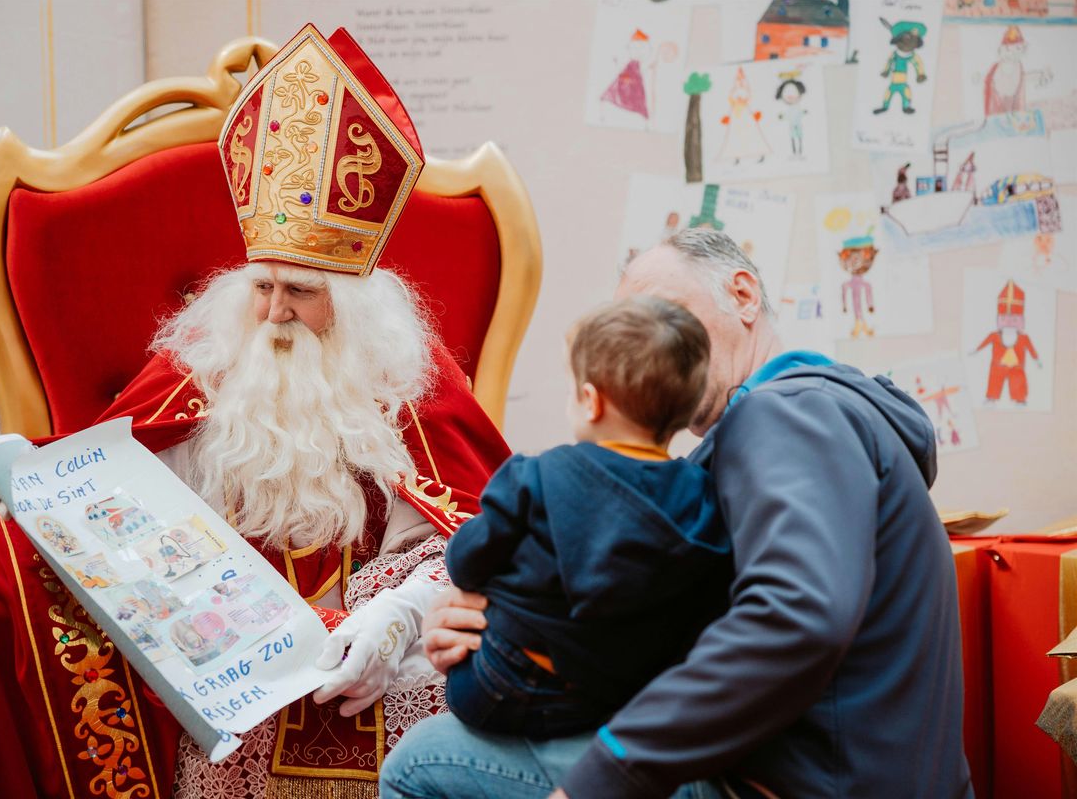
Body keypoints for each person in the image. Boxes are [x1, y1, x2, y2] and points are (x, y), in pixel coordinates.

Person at [0, 24, 510, 799]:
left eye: (302, 292)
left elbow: (486, 537)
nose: (274, 314)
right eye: (262, 286)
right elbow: (116, 479)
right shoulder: (214, 355)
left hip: (374, 655)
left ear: (354, 306)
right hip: (216, 659)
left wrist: (399, 617)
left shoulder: (408, 376)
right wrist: (32, 477)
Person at [382, 228, 972, 799]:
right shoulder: (786, 429)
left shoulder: (785, 418)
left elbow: (797, 615)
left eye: (664, 315)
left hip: (798, 783)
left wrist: (610, 774)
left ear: (743, 295)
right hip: (846, 771)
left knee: (425, 759)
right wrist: (504, 626)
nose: (650, 345)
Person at [444, 297, 731, 739]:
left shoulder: (536, 475)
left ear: (591, 402)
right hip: (616, 698)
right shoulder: (703, 496)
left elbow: (467, 560)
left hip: (503, 683)